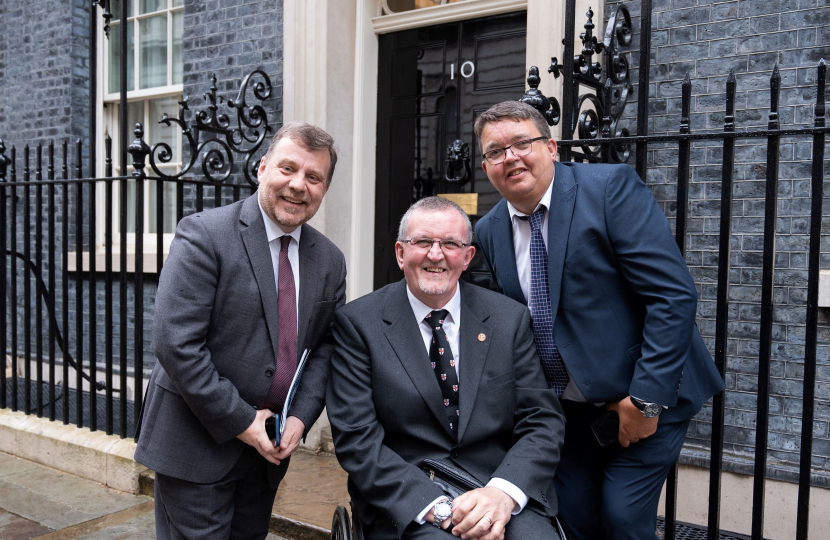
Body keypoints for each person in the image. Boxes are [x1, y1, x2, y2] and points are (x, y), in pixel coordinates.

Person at [473, 101, 725, 540]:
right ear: (486, 165)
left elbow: (672, 296)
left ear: (550, 147)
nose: (510, 156)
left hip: (644, 398)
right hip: (566, 412)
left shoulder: (609, 188)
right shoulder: (489, 230)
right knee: (570, 521)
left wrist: (645, 402)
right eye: (496, 151)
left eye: (522, 143)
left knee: (623, 520)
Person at [134, 121, 347, 540]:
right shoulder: (205, 234)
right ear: (262, 168)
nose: (298, 185)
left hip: (267, 458)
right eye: (288, 168)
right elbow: (176, 344)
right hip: (195, 446)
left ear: (324, 188)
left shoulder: (330, 260)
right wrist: (244, 421)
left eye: (313, 177)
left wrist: (301, 419)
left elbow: (324, 349)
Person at [327, 196, 565, 540]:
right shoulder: (359, 324)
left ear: (467, 256)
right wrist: (437, 508)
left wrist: (503, 492)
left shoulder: (507, 320)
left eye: (451, 244)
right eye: (422, 241)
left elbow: (542, 421)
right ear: (400, 253)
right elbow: (357, 440)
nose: (435, 254)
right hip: (410, 497)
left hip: (495, 485)